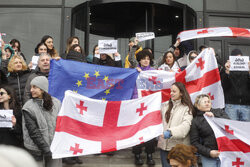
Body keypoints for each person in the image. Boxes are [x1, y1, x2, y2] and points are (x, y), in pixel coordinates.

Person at [22, 76, 62, 167]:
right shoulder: (28, 107)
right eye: (31, 87)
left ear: (43, 89)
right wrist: (46, 150)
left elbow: (61, 125)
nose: (31, 90)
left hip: (54, 148)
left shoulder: (57, 103)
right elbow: (33, 131)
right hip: (36, 151)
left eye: (34, 87)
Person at [128, 49, 156, 165]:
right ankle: (137, 154)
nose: (146, 60)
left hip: (150, 105)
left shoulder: (154, 72)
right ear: (139, 60)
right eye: (144, 58)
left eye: (148, 59)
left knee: (149, 130)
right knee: (137, 130)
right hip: (136, 104)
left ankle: (149, 154)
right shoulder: (133, 71)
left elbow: (157, 87)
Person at [158, 82, 194, 167]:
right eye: (170, 91)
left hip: (179, 149)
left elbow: (185, 127)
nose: (171, 93)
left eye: (174, 91)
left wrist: (170, 132)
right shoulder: (164, 105)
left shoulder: (187, 108)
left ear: (181, 93)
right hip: (164, 147)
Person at [190, 94, 229, 167]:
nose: (207, 103)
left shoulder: (219, 112)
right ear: (198, 106)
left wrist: (214, 116)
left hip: (225, 153)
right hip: (208, 157)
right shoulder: (195, 121)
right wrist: (209, 152)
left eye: (209, 101)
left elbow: (229, 124)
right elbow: (194, 142)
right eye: (204, 102)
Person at [220, 49, 250, 121]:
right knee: (231, 129)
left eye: (240, 59)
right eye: (236, 59)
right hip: (231, 105)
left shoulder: (247, 71)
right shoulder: (225, 71)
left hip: (246, 105)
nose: (238, 61)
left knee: (245, 130)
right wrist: (227, 71)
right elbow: (223, 86)